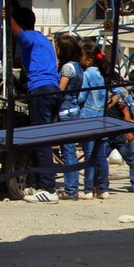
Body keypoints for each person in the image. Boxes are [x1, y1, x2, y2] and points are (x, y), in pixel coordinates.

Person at [7, 6, 61, 203]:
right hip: (51, 91)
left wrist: (8, 19)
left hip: (41, 90)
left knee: (41, 140)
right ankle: (38, 184)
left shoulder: (29, 36)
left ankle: (49, 189)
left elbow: (22, 37)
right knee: (39, 139)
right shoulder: (42, 39)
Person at [77, 40, 112, 200]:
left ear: (89, 59)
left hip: (88, 116)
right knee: (101, 156)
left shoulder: (87, 74)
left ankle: (88, 189)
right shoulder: (104, 74)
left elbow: (82, 96)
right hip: (101, 117)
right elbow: (116, 93)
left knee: (89, 154)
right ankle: (103, 189)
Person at [55, 34, 84, 200]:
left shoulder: (67, 68)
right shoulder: (79, 67)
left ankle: (70, 189)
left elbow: (60, 90)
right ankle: (72, 187)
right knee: (70, 151)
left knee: (68, 153)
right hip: (75, 110)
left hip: (65, 111)